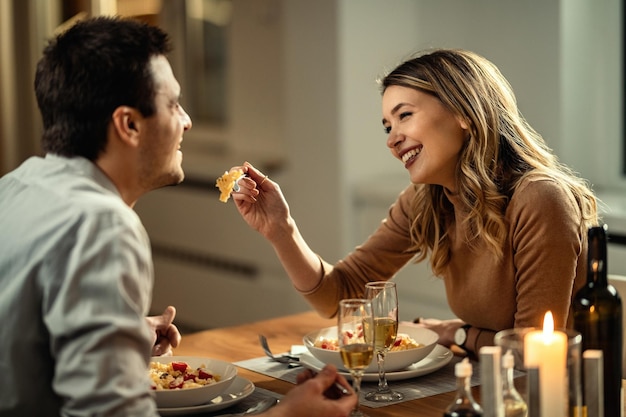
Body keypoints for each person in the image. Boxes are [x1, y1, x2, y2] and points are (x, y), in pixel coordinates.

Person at [0, 16, 355, 417]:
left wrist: (119, 335)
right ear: (129, 124)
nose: (186, 120)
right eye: (173, 104)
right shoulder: (102, 224)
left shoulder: (13, 188)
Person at [229, 48, 599, 358]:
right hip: (490, 384)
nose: (392, 139)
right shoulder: (427, 201)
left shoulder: (539, 197)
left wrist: (455, 334)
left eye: (405, 115)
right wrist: (282, 231)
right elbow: (341, 295)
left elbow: (533, 351)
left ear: (464, 113)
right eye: (388, 126)